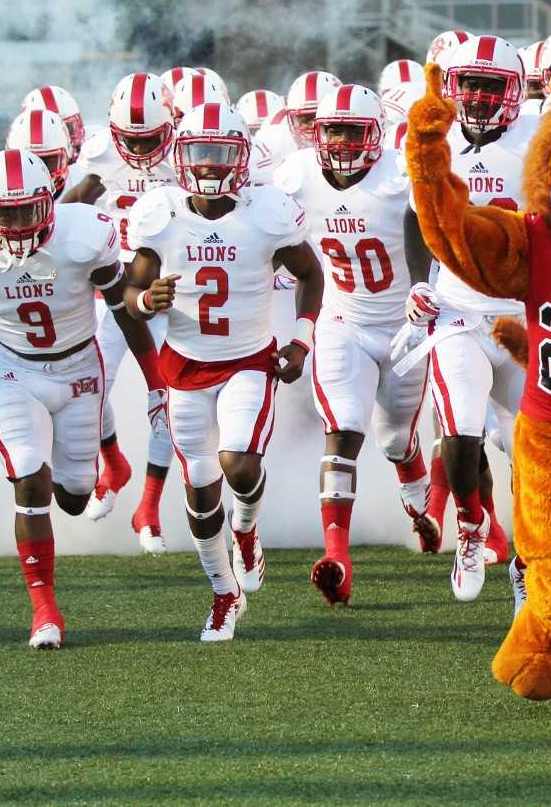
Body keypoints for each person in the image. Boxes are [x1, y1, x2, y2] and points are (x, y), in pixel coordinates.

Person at [0, 148, 164, 649]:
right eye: (4, 213)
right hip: (16, 371)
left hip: (80, 370)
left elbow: (122, 310)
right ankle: (45, 612)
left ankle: (106, 459)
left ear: (49, 202)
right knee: (30, 477)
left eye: (25, 211)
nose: (15, 225)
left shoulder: (84, 235)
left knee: (73, 498)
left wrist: (156, 382)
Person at [125, 103, 323, 641]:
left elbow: (310, 274)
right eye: (200, 152)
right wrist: (145, 300)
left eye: (220, 153)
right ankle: (223, 592)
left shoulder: (266, 212)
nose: (209, 164)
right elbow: (131, 291)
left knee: (237, 463)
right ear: (180, 156)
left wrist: (301, 341)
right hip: (185, 365)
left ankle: (247, 527)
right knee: (199, 485)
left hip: (247, 361)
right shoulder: (161, 214)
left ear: (241, 157)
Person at [274, 84, 434, 605]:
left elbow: (429, 236)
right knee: (343, 427)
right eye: (333, 130)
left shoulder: (400, 176)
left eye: (352, 130)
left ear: (376, 134)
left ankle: (417, 497)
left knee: (395, 440)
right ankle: (337, 557)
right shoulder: (296, 177)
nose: (341, 141)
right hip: (342, 319)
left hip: (403, 325)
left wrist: (424, 288)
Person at [403, 34, 537, 601]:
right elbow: (417, 216)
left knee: (533, 449)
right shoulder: (438, 140)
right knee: (459, 431)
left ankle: (528, 559)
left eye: (490, 85)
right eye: (470, 84)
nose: (478, 97)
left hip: (523, 317)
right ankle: (471, 527)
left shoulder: (540, 140)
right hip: (458, 312)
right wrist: (420, 280)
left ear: (515, 90)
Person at [66, 73, 180, 554]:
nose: (139, 150)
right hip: (116, 292)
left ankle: (149, 506)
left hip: (173, 291)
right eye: (130, 140)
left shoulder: (188, 155)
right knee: (89, 387)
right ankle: (114, 465)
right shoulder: (100, 156)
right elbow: (69, 208)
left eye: (150, 139)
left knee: (169, 398)